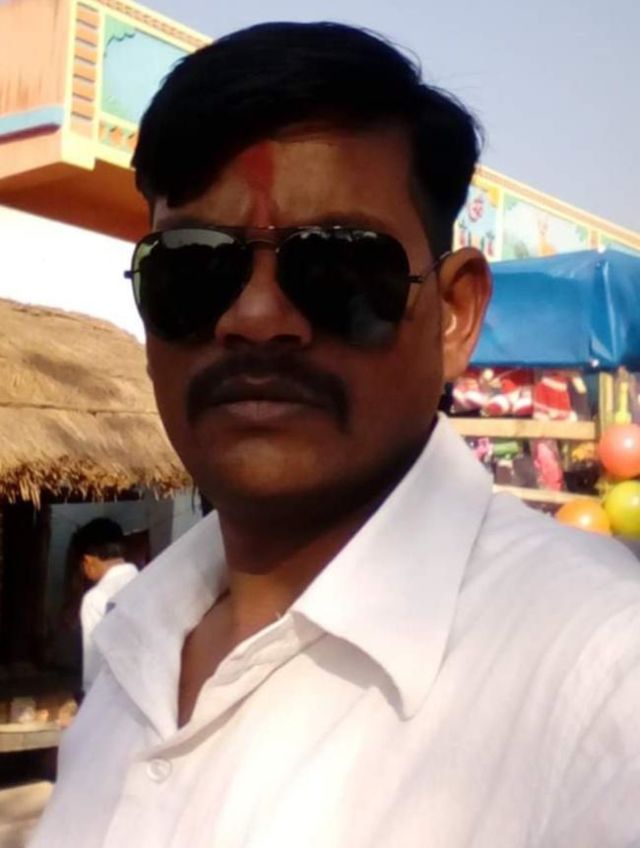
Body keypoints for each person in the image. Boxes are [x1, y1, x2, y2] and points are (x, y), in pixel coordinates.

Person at [31, 22, 640, 848]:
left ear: (453, 314)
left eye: (338, 267)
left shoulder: (604, 681)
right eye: (195, 267)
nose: (254, 317)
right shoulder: (131, 646)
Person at [71, 518, 138, 692]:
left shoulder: (96, 598)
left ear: (87, 561)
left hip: (115, 695)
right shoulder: (147, 583)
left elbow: (94, 666)